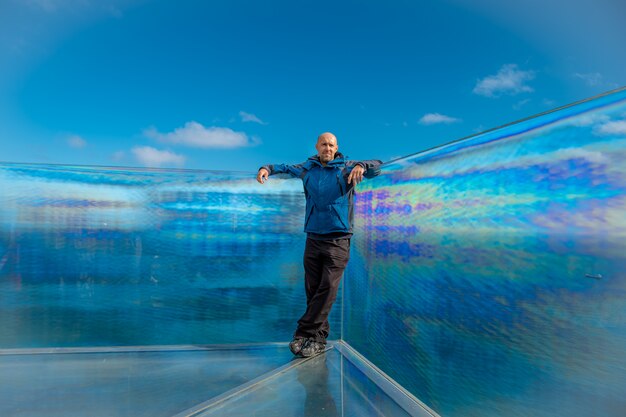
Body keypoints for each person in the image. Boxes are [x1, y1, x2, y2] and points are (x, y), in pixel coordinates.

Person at [256, 132, 382, 357]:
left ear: (337, 147)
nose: (327, 148)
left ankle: (303, 332)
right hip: (313, 237)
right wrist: (266, 168)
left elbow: (377, 166)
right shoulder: (307, 168)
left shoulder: (348, 167)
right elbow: (283, 167)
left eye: (331, 145)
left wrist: (362, 165)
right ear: (317, 147)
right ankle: (317, 340)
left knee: (327, 289)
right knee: (313, 290)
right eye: (324, 144)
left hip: (339, 239)